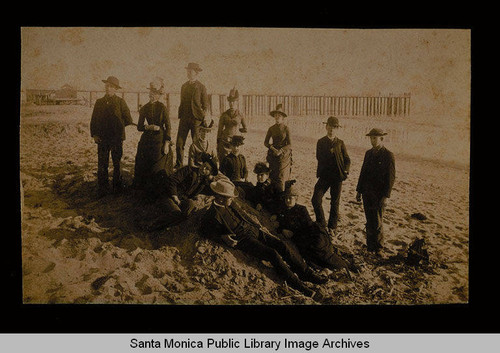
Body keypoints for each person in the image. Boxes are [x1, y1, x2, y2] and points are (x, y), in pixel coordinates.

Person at [200, 178, 328, 297]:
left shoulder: (230, 204)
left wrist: (257, 225)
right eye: (229, 198)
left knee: (281, 245)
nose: (232, 199)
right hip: (243, 239)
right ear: (220, 198)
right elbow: (205, 231)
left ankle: (306, 274)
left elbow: (243, 214)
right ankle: (300, 286)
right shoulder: (212, 214)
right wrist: (223, 238)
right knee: (272, 254)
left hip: (253, 230)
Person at [277, 180, 354, 278]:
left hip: (313, 235)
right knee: (311, 258)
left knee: (323, 253)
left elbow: (307, 227)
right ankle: (330, 268)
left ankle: (345, 266)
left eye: (291, 198)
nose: (288, 200)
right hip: (302, 240)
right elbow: (280, 224)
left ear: (296, 199)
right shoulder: (283, 211)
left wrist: (293, 233)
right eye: (286, 198)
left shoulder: (301, 209)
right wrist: (282, 230)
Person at [145, 153, 218, 230]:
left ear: (210, 173)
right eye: (204, 165)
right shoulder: (188, 170)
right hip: (169, 196)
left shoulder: (203, 182)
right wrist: (174, 196)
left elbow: (213, 190)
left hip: (181, 201)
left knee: (190, 206)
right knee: (176, 213)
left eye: (207, 169)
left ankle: (166, 225)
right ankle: (151, 225)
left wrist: (212, 179)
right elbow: (172, 181)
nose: (203, 169)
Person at [90, 75, 133, 197]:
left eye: (111, 86)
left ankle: (117, 188)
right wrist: (95, 135)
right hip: (102, 138)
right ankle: (103, 188)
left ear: (115, 89)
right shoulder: (99, 102)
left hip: (116, 138)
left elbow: (128, 119)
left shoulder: (120, 102)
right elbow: (94, 120)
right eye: (107, 86)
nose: (108, 88)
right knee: (102, 163)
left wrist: (118, 127)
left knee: (117, 163)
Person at [356, 128, 396, 255]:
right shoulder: (368, 153)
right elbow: (363, 172)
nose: (373, 140)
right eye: (371, 138)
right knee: (369, 219)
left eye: (375, 138)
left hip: (379, 194)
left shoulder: (388, 155)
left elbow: (390, 177)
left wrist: (386, 196)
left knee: (377, 220)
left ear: (382, 139)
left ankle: (378, 247)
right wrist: (359, 190)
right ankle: (370, 246)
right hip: (367, 192)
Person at [311, 116, 351, 235]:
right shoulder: (321, 142)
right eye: (330, 127)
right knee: (315, 199)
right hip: (325, 176)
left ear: (337, 129)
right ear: (326, 127)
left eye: (334, 127)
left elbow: (347, 159)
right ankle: (321, 223)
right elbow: (319, 157)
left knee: (335, 202)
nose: (332, 130)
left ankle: (332, 227)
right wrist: (330, 153)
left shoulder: (340, 143)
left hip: (337, 177)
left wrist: (346, 170)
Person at [133, 78, 172, 191]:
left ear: (159, 95)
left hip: (159, 138)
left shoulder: (162, 108)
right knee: (142, 160)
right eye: (151, 93)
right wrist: (148, 127)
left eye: (154, 93)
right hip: (147, 138)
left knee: (158, 165)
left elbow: (168, 126)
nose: (152, 95)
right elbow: (139, 127)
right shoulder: (144, 108)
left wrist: (167, 143)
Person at [175, 63, 209, 169]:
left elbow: (206, 104)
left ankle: (196, 164)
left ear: (196, 73)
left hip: (196, 119)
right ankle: (179, 164)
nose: (189, 73)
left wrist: (204, 117)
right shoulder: (184, 86)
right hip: (184, 118)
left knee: (196, 144)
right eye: (188, 71)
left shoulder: (201, 87)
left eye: (191, 71)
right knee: (179, 143)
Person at [264, 104, 292, 192]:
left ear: (283, 117)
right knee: (272, 176)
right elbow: (265, 142)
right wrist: (272, 148)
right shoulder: (271, 128)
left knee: (281, 178)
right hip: (273, 155)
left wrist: (281, 150)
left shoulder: (286, 128)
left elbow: (290, 144)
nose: (277, 117)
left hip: (283, 156)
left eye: (279, 115)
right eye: (276, 115)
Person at [216, 87, 247, 163]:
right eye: (230, 102)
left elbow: (245, 128)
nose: (231, 104)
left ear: (237, 102)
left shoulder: (240, 115)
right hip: (225, 142)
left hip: (236, 142)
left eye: (233, 102)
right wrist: (218, 142)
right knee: (224, 161)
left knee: (236, 161)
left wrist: (238, 131)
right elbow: (219, 130)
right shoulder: (224, 115)